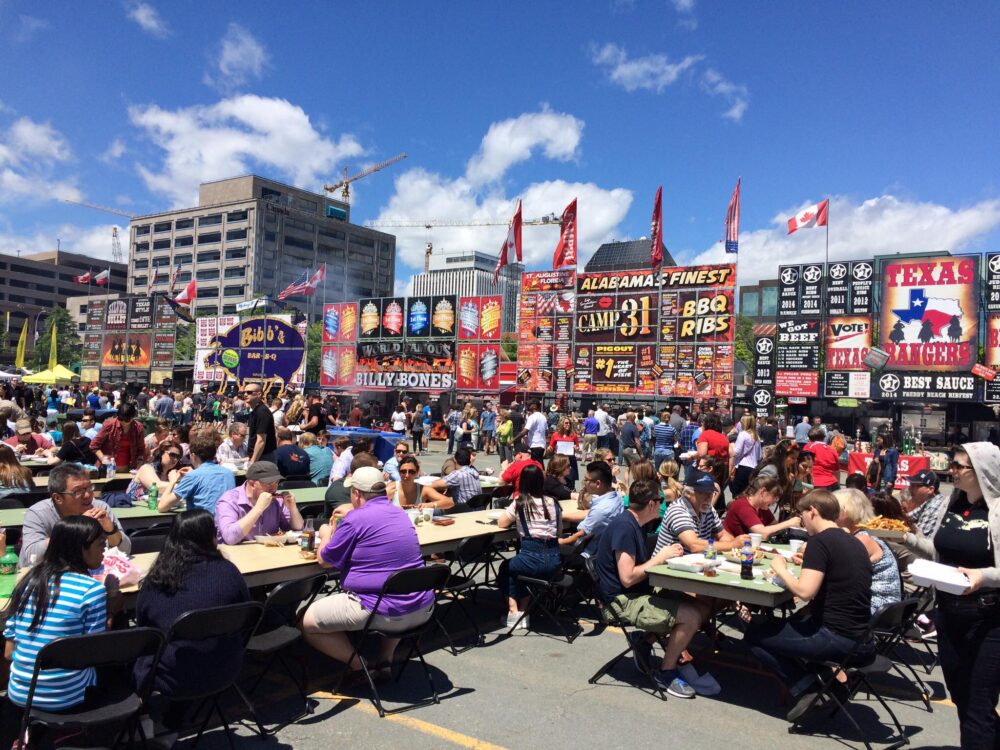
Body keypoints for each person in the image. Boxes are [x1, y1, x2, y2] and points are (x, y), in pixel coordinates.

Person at [901, 443, 1000, 748]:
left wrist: (984, 576)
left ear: (981, 470)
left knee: (979, 704)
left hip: (989, 619)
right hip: (949, 613)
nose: (951, 471)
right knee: (962, 697)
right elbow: (938, 550)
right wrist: (902, 537)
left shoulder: (996, 512)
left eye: (959, 466)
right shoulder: (952, 503)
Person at [748, 490, 874, 721]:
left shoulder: (820, 541)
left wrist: (781, 569)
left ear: (813, 511)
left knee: (755, 634)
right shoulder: (854, 541)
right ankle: (826, 679)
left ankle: (807, 687)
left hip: (836, 638)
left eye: (802, 515)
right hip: (863, 638)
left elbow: (805, 592)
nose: (802, 521)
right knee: (787, 624)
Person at [301, 467, 435, 683]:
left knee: (306, 621)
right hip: (421, 607)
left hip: (383, 610)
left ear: (356, 494)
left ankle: (360, 666)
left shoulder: (355, 519)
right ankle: (385, 661)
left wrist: (326, 533)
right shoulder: (400, 513)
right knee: (396, 590)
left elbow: (324, 560)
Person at [593, 478, 712, 698]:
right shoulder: (625, 527)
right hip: (621, 602)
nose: (662, 505)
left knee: (703, 604)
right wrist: (660, 557)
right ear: (651, 504)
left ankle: (644, 642)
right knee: (692, 616)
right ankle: (666, 672)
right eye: (660, 501)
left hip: (640, 593)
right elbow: (628, 577)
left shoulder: (634, 524)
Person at [133, 510, 250, 719]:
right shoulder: (229, 571)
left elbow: (143, 625)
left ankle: (144, 720)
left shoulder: (158, 579)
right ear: (211, 536)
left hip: (173, 678)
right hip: (227, 669)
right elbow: (246, 615)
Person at [4, 516, 113, 712]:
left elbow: (8, 652)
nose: (104, 549)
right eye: (101, 544)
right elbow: (98, 653)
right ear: (82, 548)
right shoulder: (92, 590)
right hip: (68, 697)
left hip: (20, 694)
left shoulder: (28, 581)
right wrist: (113, 607)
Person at [19, 463, 131, 567]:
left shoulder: (100, 508)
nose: (87, 495)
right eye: (78, 491)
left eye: (89, 487)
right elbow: (32, 556)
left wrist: (110, 530)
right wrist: (77, 526)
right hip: (48, 576)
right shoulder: (38, 513)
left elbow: (126, 550)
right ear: (58, 498)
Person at [497, 464, 563, 628]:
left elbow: (502, 523)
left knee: (507, 568)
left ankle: (513, 611)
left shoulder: (520, 502)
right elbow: (559, 530)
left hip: (531, 557)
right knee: (519, 569)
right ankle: (524, 612)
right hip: (555, 560)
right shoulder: (553, 502)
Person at [835, 488, 901, 614]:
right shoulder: (868, 534)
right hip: (884, 608)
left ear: (847, 512)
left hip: (876, 610)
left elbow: (835, 572)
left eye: (834, 510)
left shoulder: (862, 540)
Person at [654, 474, 747, 555]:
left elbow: (722, 535)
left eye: (711, 493)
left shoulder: (708, 508)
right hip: (667, 570)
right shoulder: (678, 510)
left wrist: (735, 546)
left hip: (694, 565)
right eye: (703, 493)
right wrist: (733, 545)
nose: (709, 497)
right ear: (688, 493)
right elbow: (694, 545)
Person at [215, 461, 304, 544]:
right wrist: (258, 508)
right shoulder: (229, 500)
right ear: (252, 484)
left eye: (276, 482)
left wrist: (293, 508)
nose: (274, 488)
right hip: (234, 557)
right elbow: (230, 538)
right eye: (269, 484)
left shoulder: (277, 501)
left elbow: (297, 530)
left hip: (268, 554)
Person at [157, 428, 234, 515]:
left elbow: (162, 507)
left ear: (193, 456)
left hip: (201, 525)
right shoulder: (229, 474)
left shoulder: (193, 476)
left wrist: (172, 481)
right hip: (225, 524)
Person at [561, 460, 624, 552]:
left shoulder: (601, 509)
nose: (584, 483)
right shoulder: (618, 496)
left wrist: (561, 541)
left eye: (586, 480)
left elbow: (580, 535)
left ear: (598, 484)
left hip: (586, 552)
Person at [723, 475, 802, 540]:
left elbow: (774, 527)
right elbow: (762, 533)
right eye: (774, 496)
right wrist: (789, 523)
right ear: (763, 492)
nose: (775, 501)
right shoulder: (743, 506)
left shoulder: (762, 507)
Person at [125, 440, 185, 507]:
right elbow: (157, 487)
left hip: (154, 510)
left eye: (178, 457)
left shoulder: (171, 475)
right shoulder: (146, 468)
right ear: (161, 453)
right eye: (172, 455)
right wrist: (184, 485)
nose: (175, 459)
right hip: (132, 508)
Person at [420, 446, 481, 511]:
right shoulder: (474, 472)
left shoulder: (458, 474)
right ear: (469, 460)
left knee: (426, 489)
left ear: (455, 459)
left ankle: (418, 510)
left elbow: (432, 485)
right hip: (477, 509)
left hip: (462, 510)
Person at [90, 401, 147, 471]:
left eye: (126, 420)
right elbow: (94, 445)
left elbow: (141, 449)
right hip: (107, 469)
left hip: (129, 469)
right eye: (120, 419)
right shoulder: (109, 425)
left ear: (133, 417)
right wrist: (103, 458)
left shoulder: (138, 427)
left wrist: (140, 462)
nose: (123, 421)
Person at [728, 415, 762, 498]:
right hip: (753, 468)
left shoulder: (743, 434)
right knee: (748, 494)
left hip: (742, 467)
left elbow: (737, 452)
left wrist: (729, 447)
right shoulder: (757, 437)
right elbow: (759, 456)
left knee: (737, 493)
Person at [245, 384, 276, 465]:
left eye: (249, 392)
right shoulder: (255, 410)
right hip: (259, 456)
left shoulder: (262, 412)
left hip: (263, 457)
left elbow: (261, 440)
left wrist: (253, 461)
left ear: (259, 394)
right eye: (244, 392)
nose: (245, 394)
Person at [805, 427, 841, 491]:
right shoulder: (832, 449)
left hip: (815, 484)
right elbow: (837, 471)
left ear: (810, 438)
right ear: (824, 437)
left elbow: (804, 466)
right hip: (832, 484)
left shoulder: (808, 447)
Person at [548, 416, 579, 483]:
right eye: (566, 423)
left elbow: (577, 448)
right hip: (559, 460)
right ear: (561, 424)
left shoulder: (574, 435)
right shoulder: (555, 435)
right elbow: (551, 447)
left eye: (569, 423)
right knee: (558, 480)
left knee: (570, 481)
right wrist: (549, 448)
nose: (568, 424)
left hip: (570, 460)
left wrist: (576, 449)